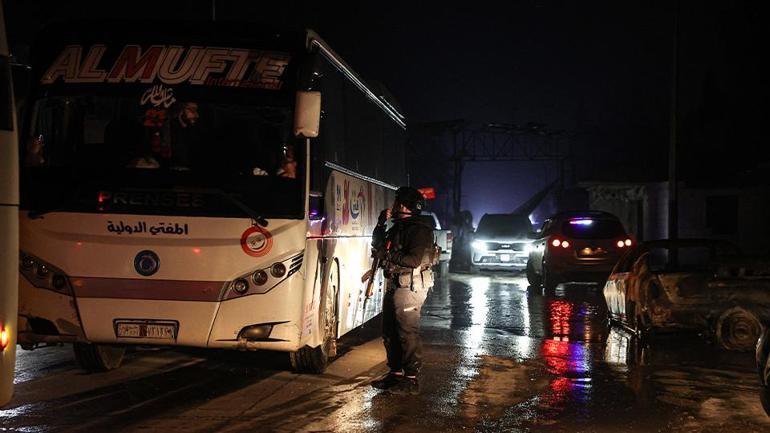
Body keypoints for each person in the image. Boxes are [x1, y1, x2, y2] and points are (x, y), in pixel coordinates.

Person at [370, 186, 436, 395]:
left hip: (410, 286)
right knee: (389, 331)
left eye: (398, 202)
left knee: (407, 333)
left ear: (406, 205)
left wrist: (387, 256)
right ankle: (395, 374)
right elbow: (378, 243)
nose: (394, 206)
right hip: (395, 284)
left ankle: (411, 379)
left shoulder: (419, 229)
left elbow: (413, 260)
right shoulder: (399, 227)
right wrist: (380, 224)